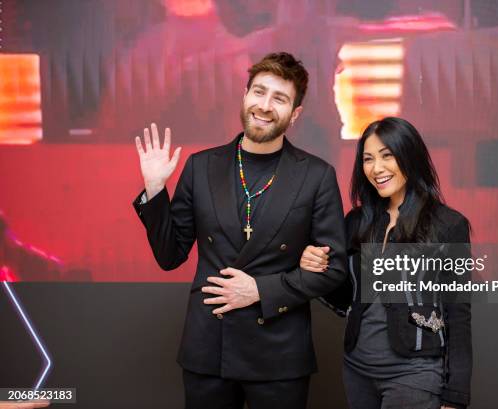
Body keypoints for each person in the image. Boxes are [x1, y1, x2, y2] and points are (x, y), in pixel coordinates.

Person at [132, 52, 347, 409]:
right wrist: (155, 191)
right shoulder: (201, 167)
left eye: (279, 98)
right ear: (244, 95)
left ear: (294, 114)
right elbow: (170, 256)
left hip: (280, 354)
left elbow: (335, 270)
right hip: (208, 349)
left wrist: (260, 290)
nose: (264, 105)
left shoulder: (316, 176)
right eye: (258, 92)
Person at [300, 117, 472, 409]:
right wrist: (316, 269)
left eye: (386, 156)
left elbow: (458, 313)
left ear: (409, 156)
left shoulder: (448, 225)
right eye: (368, 159)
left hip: (414, 375)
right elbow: (345, 299)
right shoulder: (356, 222)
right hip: (357, 369)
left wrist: (456, 394)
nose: (376, 168)